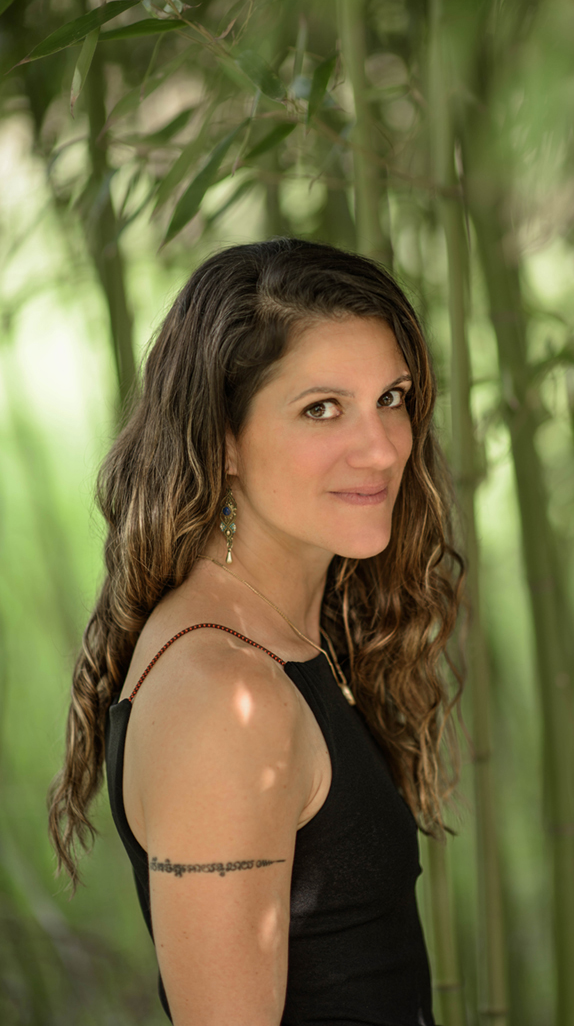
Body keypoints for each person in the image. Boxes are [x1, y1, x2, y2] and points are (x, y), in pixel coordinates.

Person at [48, 238, 464, 1025]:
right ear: (224, 440)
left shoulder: (281, 638)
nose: (382, 448)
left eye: (391, 397)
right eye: (321, 408)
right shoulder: (225, 699)